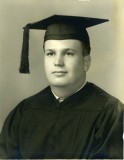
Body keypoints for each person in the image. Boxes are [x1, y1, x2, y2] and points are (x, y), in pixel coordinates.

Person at [0, 15, 123, 159]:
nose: (58, 62)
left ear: (86, 61)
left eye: (69, 53)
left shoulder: (110, 113)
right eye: (50, 53)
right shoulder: (23, 112)